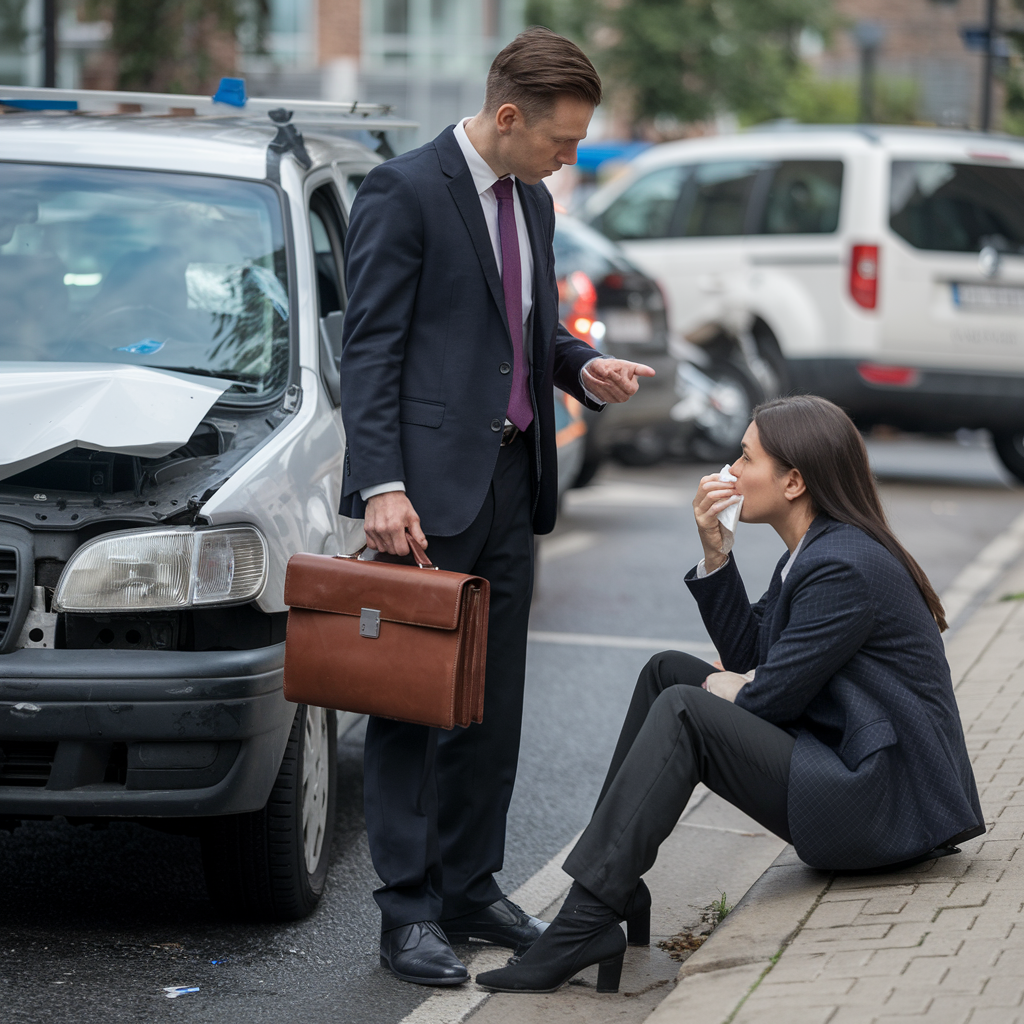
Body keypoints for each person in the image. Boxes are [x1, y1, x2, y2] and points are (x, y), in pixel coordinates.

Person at [477, 394, 985, 994]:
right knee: (668, 672)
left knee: (687, 709)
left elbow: (765, 696)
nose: (729, 473)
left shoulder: (842, 565)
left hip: (880, 803)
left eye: (745, 458)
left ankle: (587, 916)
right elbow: (752, 660)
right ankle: (613, 886)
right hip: (854, 767)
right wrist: (717, 552)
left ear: (793, 481)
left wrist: (729, 684)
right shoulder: (813, 550)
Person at [339, 28, 655, 986]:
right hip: (424, 498)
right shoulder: (404, 191)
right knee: (411, 709)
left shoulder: (533, 200)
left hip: (513, 482)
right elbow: (372, 350)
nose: (570, 158)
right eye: (561, 141)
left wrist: (579, 366)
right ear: (507, 115)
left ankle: (471, 887)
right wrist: (382, 485)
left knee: (491, 707)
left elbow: (530, 330)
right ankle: (407, 915)